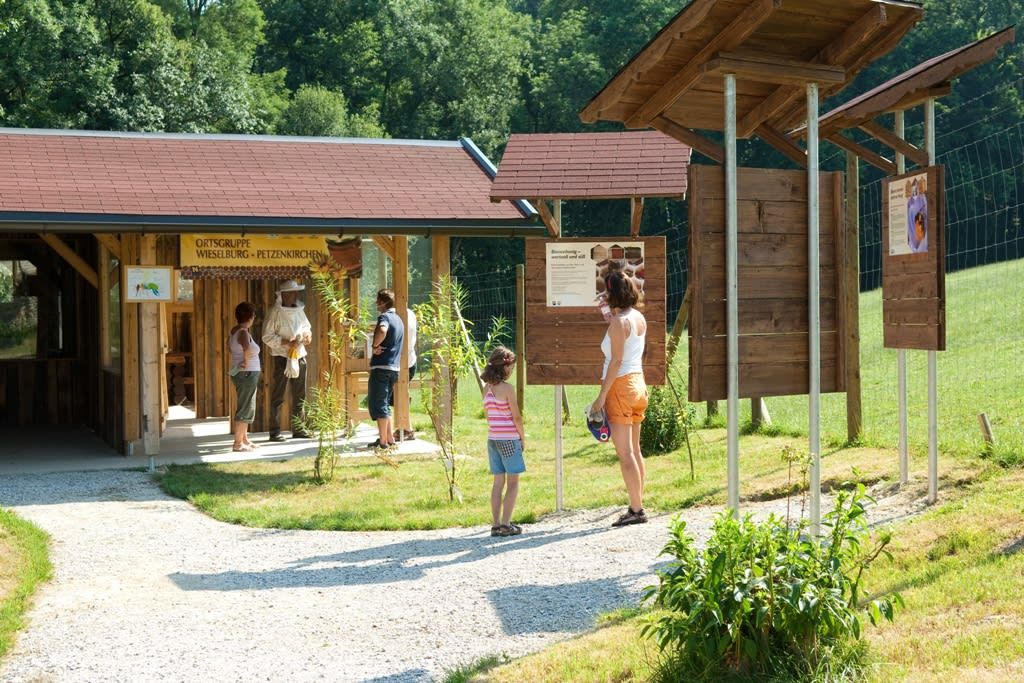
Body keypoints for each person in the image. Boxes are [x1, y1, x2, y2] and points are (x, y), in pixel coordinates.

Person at [590, 271, 649, 527]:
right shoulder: (638, 317)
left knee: (625, 453)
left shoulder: (618, 322)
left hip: (620, 386)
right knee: (635, 449)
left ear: (612, 293)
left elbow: (615, 361)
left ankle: (636, 510)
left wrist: (601, 397)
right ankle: (638, 503)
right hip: (638, 383)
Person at [482, 346, 526, 537]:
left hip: (493, 439)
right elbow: (516, 417)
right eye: (512, 367)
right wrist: (522, 437)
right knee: (513, 482)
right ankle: (506, 525)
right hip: (509, 439)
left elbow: (487, 415)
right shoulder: (508, 389)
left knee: (498, 482)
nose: (512, 370)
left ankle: (495, 524)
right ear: (505, 367)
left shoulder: (486, 388)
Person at [262, 279, 312, 442]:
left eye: (296, 292)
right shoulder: (274, 313)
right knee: (278, 395)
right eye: (292, 293)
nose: (295, 295)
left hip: (299, 356)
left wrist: (307, 336)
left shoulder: (299, 311)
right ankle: (275, 431)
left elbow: (307, 328)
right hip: (282, 357)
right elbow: (267, 336)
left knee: (300, 394)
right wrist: (286, 342)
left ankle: (299, 429)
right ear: (283, 295)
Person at [368, 289, 404, 449]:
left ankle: (382, 442)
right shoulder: (399, 319)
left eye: (378, 301)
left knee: (379, 404)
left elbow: (382, 329)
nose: (376, 304)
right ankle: (390, 439)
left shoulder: (385, 317)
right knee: (385, 403)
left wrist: (374, 345)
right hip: (394, 368)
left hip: (381, 367)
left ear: (382, 302)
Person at [228, 302, 261, 452]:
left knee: (248, 404)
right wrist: (246, 362)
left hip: (244, 373)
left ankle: (244, 439)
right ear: (250, 317)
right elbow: (246, 349)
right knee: (245, 406)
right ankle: (237, 443)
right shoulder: (242, 333)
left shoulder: (235, 331)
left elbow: (230, 348)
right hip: (247, 372)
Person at [392, 307, 418, 442]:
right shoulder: (410, 313)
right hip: (409, 361)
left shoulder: (394, 314)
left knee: (400, 395)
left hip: (402, 363)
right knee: (400, 395)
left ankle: (406, 429)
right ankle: (404, 429)